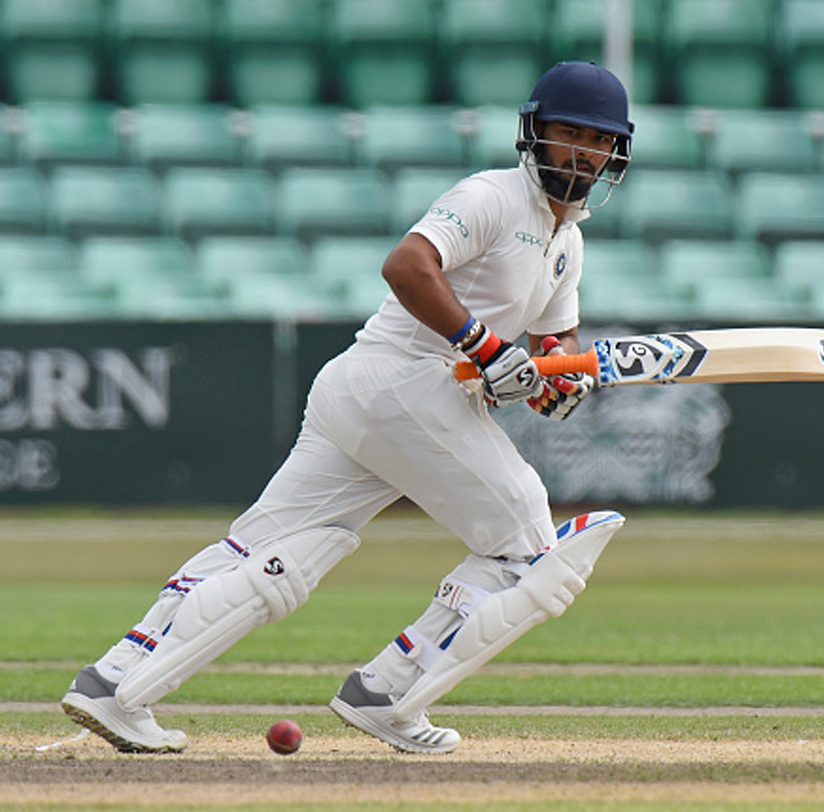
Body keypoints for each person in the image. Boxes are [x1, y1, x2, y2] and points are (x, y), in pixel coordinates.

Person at [61, 61, 634, 755]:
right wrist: (486, 349)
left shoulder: (565, 242)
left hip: (374, 395)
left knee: (261, 549)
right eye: (566, 132)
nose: (581, 151)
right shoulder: (491, 196)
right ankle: (388, 690)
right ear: (534, 134)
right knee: (529, 550)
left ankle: (115, 680)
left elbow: (554, 339)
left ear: (614, 151)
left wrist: (553, 379)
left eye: (596, 140)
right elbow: (406, 265)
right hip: (402, 381)